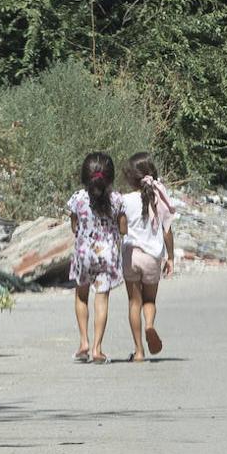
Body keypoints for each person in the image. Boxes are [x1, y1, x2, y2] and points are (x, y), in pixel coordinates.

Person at [67, 152, 127, 365]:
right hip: (107, 255)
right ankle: (97, 349)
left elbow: (74, 226)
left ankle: (83, 342)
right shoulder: (117, 200)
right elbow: (122, 229)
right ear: (110, 178)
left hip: (84, 254)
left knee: (81, 296)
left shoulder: (77, 199)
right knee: (101, 299)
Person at [120, 152, 175, 363]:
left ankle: (139, 351)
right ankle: (150, 325)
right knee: (149, 300)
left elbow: (122, 229)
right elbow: (167, 230)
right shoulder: (159, 198)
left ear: (130, 178)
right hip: (152, 257)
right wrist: (170, 257)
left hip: (131, 255)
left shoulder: (125, 200)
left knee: (134, 301)